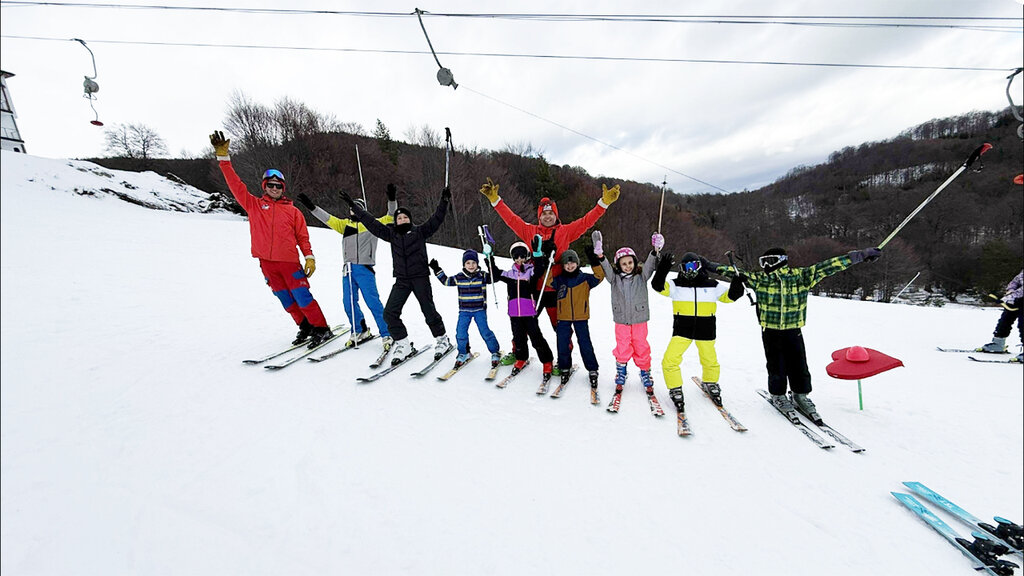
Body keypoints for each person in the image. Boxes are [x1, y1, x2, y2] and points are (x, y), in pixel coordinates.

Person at [714, 246, 882, 422]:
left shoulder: (801, 277)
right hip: (770, 330)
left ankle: (800, 395)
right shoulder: (761, 279)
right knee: (776, 365)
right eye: (763, 262)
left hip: (793, 330)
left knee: (799, 364)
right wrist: (709, 265)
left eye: (770, 261)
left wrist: (859, 256)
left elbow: (828, 266)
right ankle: (778, 395)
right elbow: (731, 271)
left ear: (781, 261)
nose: (766, 266)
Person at [209, 130, 332, 348]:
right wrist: (224, 159)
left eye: (278, 186)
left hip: (289, 263)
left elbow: (303, 237)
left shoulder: (293, 212)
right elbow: (236, 185)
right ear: (264, 186)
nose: (274, 188)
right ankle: (305, 326)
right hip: (266, 263)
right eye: (270, 185)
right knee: (286, 299)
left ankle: (321, 328)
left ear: (283, 188)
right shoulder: (254, 206)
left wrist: (309, 257)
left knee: (302, 297)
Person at [479, 178, 618, 368]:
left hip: (557, 288)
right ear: (539, 216)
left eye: (551, 213)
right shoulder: (529, 231)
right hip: (533, 288)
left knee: (560, 327)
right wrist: (495, 200)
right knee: (522, 323)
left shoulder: (565, 231)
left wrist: (603, 204)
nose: (547, 216)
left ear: (556, 215)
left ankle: (564, 357)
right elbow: (511, 219)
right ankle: (518, 351)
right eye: (544, 213)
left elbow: (586, 221)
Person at [340, 187, 451, 364]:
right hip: (402, 280)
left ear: (410, 219)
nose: (402, 219)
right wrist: (354, 207)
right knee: (390, 313)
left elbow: (437, 219)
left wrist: (444, 201)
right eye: (399, 218)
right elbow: (372, 223)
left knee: (428, 311)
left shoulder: (420, 232)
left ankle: (442, 340)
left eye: (405, 217)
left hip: (420, 278)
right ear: (395, 221)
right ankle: (403, 344)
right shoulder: (391, 234)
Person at [296, 186, 396, 351]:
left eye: (356, 207)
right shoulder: (345, 225)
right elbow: (327, 218)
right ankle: (359, 329)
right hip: (348, 270)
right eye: (351, 207)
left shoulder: (372, 224)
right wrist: (312, 207)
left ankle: (387, 333)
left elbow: (391, 216)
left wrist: (392, 199)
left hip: (364, 269)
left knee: (373, 302)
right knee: (348, 303)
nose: (353, 210)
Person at [651, 251, 745, 414]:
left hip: (706, 328)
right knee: (670, 360)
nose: (690, 270)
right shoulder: (676, 285)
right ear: (681, 269)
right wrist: (662, 269)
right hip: (682, 329)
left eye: (694, 266)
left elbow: (730, 297)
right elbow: (658, 286)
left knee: (709, 359)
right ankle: (675, 388)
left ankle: (711, 382)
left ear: (700, 266)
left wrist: (737, 282)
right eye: (686, 267)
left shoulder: (712, 285)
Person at [594, 230, 661, 397]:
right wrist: (600, 255)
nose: (628, 266)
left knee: (641, 345)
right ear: (619, 265)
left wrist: (655, 250)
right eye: (624, 264)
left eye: (630, 262)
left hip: (639, 319)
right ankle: (621, 371)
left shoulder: (642, 276)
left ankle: (645, 371)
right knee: (622, 346)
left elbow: (650, 265)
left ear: (634, 262)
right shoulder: (614, 278)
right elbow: (606, 267)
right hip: (621, 320)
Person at [491, 242, 555, 379]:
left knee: (536, 337)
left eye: (522, 256)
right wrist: (489, 258)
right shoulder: (510, 274)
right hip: (514, 313)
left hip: (529, 311)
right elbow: (495, 273)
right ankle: (521, 358)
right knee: (518, 337)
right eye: (516, 257)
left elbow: (540, 270)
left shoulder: (530, 271)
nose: (519, 259)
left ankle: (547, 361)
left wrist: (537, 254)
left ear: (526, 257)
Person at [429, 250, 502, 368]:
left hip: (479, 310)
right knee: (460, 333)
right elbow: (446, 281)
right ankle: (464, 353)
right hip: (464, 311)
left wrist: (489, 261)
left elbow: (495, 278)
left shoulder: (482, 276)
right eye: (468, 263)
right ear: (464, 264)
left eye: (473, 263)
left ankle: (495, 352)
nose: (471, 265)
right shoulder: (459, 277)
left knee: (485, 332)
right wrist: (437, 269)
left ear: (477, 263)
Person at [547, 248, 606, 394]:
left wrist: (593, 260)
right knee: (562, 343)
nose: (570, 266)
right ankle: (564, 367)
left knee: (585, 343)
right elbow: (548, 281)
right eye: (566, 264)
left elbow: (600, 276)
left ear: (577, 263)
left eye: (572, 263)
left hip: (581, 317)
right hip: (563, 317)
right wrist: (549, 262)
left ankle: (592, 369)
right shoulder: (559, 279)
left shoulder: (585, 279)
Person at [978, 270, 1023, 362]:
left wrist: (1008, 297)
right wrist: (1010, 291)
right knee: (1005, 320)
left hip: (1019, 298)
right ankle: (998, 343)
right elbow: (1015, 281)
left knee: (1022, 324)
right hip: (1016, 300)